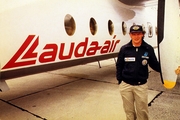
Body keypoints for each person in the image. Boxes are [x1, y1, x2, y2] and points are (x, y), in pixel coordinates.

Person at [116, 25, 160, 120]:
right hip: (126, 86)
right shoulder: (124, 49)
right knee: (129, 112)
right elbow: (119, 65)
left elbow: (155, 64)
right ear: (130, 35)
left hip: (141, 86)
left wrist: (167, 70)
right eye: (134, 34)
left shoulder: (148, 49)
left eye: (138, 34)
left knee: (143, 112)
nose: (136, 36)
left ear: (142, 35)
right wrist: (120, 80)